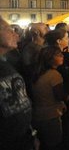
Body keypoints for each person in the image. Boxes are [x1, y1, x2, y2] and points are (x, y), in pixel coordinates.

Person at [0, 16, 39, 150]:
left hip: (24, 138)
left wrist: (31, 132)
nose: (15, 34)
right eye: (9, 29)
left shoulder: (8, 62)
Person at [31, 46, 68, 149]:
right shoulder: (54, 75)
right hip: (51, 116)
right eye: (58, 55)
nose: (62, 56)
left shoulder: (38, 74)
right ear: (50, 58)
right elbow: (59, 95)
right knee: (54, 145)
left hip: (37, 114)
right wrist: (67, 96)